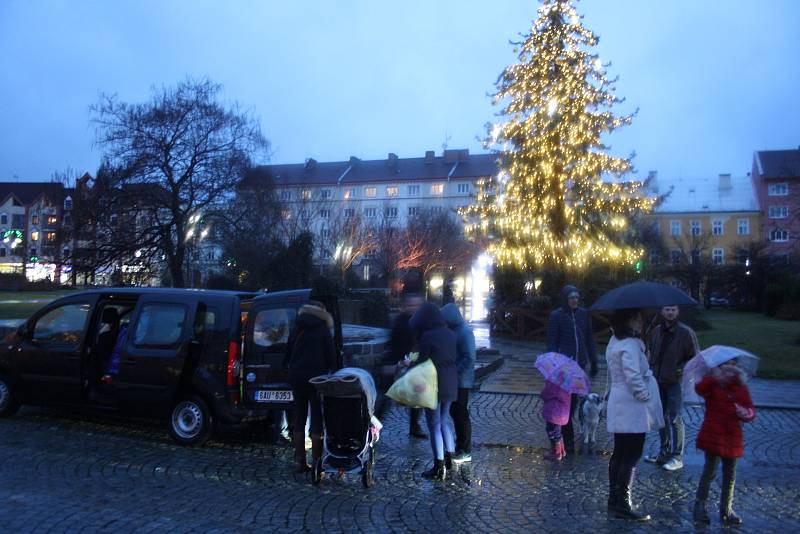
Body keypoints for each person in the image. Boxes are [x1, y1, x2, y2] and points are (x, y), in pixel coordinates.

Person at [605, 308, 664, 521]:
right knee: (631, 454)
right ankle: (623, 502)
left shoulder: (615, 341)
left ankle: (615, 499)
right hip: (632, 405)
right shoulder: (629, 345)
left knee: (620, 452)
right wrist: (645, 395)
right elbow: (633, 377)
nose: (640, 322)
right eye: (636, 319)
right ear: (626, 321)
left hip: (620, 402)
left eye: (640, 319)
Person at [692, 359, 755, 526]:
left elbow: (750, 409)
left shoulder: (741, 387)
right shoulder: (712, 384)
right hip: (713, 434)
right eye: (725, 369)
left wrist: (746, 413)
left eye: (732, 369)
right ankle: (700, 505)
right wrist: (714, 378)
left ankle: (726, 508)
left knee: (730, 475)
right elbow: (699, 389)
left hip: (733, 436)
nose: (728, 372)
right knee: (709, 472)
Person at [283, 300, 339, 473]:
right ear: (321, 313)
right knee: (317, 420)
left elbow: (288, 352)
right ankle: (316, 463)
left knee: (299, 418)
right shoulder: (323, 329)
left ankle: (300, 462)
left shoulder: (296, 327)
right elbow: (332, 356)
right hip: (317, 380)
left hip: (296, 377)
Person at [644, 305, 698, 471]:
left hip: (676, 381)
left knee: (674, 418)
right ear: (661, 312)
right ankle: (664, 452)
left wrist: (681, 369)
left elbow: (695, 357)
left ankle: (677, 456)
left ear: (678, 311)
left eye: (673, 309)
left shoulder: (685, 333)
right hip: (658, 380)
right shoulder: (656, 331)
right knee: (661, 417)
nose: (670, 312)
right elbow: (650, 352)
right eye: (667, 309)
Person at [409, 301, 458, 480]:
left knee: (434, 425)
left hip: (435, 384)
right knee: (445, 421)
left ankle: (438, 466)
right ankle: (450, 459)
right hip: (452, 382)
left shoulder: (427, 336)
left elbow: (422, 362)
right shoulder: (451, 334)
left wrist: (408, 364)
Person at [546, 285, 598, 455]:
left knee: (576, 404)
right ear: (565, 299)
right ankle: (567, 442)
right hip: (564, 368)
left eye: (577, 297)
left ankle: (572, 437)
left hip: (579, 367)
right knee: (564, 406)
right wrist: (553, 365)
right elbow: (552, 341)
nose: (574, 300)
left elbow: (589, 339)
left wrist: (594, 360)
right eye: (571, 297)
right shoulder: (557, 316)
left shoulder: (584, 315)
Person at [441, 303, 475, 464]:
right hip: (457, 379)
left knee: (461, 414)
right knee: (456, 413)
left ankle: (465, 450)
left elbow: (469, 357)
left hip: (461, 381)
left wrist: (454, 371)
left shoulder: (465, 332)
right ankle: (461, 446)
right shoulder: (457, 330)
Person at [389, 293, 427, 439]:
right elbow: (394, 342)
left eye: (417, 305)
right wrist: (396, 361)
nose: (414, 308)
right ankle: (374, 424)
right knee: (390, 397)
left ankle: (415, 425)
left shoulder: (422, 321)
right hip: (402, 363)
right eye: (411, 305)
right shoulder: (400, 321)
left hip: (416, 363)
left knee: (417, 397)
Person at [541, 379, 571, 461]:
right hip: (562, 413)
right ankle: (562, 451)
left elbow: (545, 394)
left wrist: (543, 391)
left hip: (553, 412)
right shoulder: (567, 383)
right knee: (557, 431)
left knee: (552, 431)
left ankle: (556, 453)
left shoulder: (553, 381)